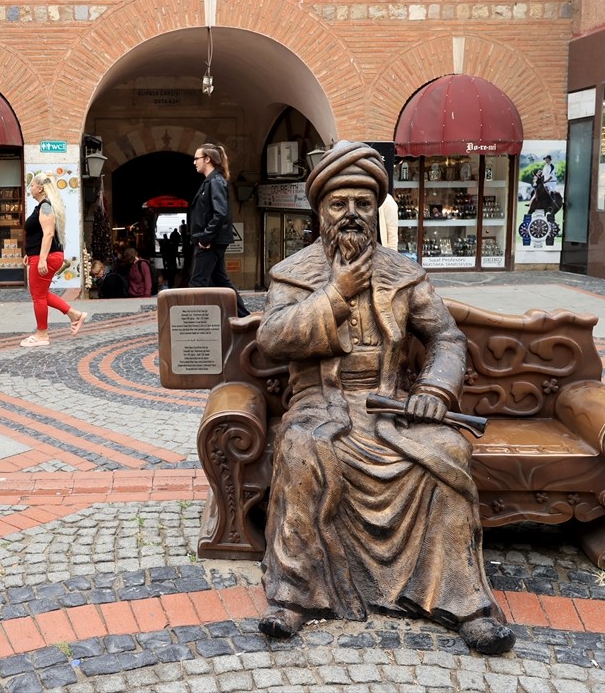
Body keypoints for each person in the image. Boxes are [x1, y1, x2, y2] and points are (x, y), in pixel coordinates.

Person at [254, 140, 515, 656]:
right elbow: (271, 336)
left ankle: (465, 603)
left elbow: (446, 338)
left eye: (363, 204)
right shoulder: (295, 272)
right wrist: (334, 294)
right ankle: (293, 596)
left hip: (391, 408)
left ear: (377, 209)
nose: (351, 215)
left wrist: (434, 390)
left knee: (446, 454)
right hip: (319, 407)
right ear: (320, 210)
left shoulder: (403, 273)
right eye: (338, 204)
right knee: (301, 451)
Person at [21, 172, 87, 347]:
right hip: (42, 256)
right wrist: (31, 254)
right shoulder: (43, 206)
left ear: (40, 188)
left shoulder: (45, 207)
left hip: (47, 257)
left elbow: (49, 234)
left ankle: (42, 335)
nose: (31, 188)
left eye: (33, 185)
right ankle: (74, 315)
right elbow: (39, 234)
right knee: (41, 294)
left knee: (38, 297)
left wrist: (42, 259)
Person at [189, 143, 249, 317]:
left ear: (207, 159)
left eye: (196, 158)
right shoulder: (212, 181)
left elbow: (220, 213)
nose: (194, 162)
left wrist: (205, 238)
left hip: (210, 242)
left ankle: (192, 324)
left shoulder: (215, 181)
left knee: (198, 282)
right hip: (212, 240)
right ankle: (245, 317)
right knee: (221, 280)